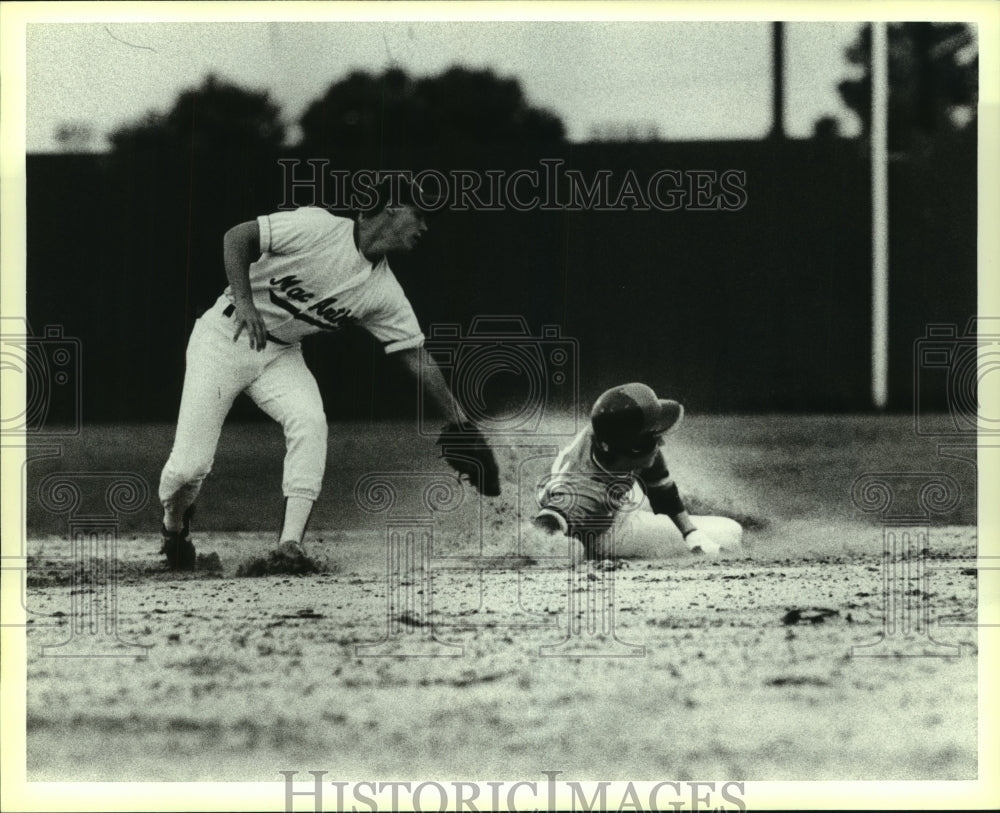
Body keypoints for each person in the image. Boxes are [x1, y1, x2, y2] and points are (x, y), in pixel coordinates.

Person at [157, 179, 497, 569]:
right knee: (189, 467)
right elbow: (238, 237)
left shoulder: (383, 291)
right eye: (419, 216)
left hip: (280, 353)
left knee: (310, 421)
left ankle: (289, 547)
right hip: (224, 336)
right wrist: (247, 302)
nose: (424, 227)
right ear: (391, 208)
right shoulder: (318, 227)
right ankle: (173, 527)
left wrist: (462, 424)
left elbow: (417, 358)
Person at [533, 382, 742, 560]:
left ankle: (688, 520)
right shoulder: (584, 495)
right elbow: (549, 521)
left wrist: (690, 532)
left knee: (666, 500)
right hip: (606, 530)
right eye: (652, 438)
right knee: (731, 532)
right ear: (633, 450)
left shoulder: (611, 434)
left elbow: (660, 487)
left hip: (615, 496)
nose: (660, 441)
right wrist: (545, 545)